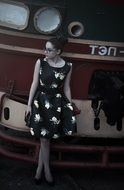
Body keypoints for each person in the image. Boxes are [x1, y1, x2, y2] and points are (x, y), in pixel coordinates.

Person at [25, 36, 76, 186]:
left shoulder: (68, 66)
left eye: (49, 50)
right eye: (45, 48)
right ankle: (47, 171)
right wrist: (28, 105)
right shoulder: (40, 62)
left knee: (45, 139)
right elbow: (34, 83)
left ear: (58, 51)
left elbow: (66, 87)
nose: (45, 51)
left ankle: (39, 169)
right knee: (44, 139)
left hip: (56, 104)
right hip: (40, 102)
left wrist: (70, 106)